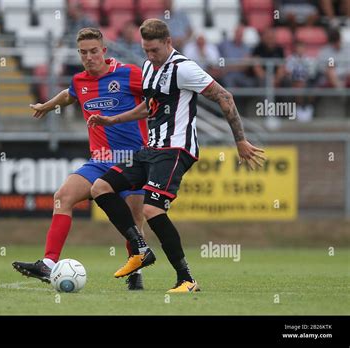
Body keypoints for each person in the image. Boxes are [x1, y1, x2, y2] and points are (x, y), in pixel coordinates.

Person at [87, 19, 266, 293]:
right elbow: (150, 107)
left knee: (151, 208)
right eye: (145, 50)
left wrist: (240, 140)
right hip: (151, 149)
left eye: (155, 50)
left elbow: (224, 97)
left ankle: (187, 279)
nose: (149, 56)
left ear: (169, 43)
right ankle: (140, 250)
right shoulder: (149, 66)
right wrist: (112, 120)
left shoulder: (184, 68)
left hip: (176, 149)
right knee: (100, 188)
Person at [12, 28, 149, 291]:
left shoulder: (130, 74)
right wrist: (46, 105)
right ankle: (49, 264)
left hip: (132, 161)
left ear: (104, 51)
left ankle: (135, 270)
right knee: (63, 196)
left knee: (134, 222)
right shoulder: (80, 81)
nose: (89, 57)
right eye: (83, 52)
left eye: (93, 51)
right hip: (99, 161)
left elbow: (157, 97)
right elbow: (68, 95)